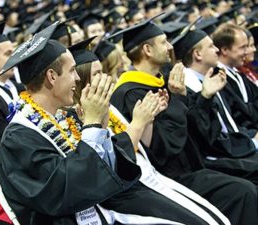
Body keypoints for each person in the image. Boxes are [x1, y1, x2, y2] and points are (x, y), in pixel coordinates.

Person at [0, 22, 198, 225]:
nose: (77, 78)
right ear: (51, 76)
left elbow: (102, 170)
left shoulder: (60, 116)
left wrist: (100, 123)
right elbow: (67, 189)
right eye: (72, 71)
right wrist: (92, 124)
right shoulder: (20, 138)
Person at [110, 16, 258, 224]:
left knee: (249, 178)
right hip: (171, 178)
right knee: (244, 193)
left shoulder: (164, 81)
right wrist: (178, 99)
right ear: (147, 50)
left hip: (195, 165)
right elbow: (163, 149)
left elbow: (198, 132)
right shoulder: (130, 93)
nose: (170, 46)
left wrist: (204, 97)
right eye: (163, 42)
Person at [70, 38, 231, 225]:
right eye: (98, 73)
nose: (106, 77)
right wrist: (140, 122)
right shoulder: (88, 113)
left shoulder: (110, 107)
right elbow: (129, 154)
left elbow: (145, 146)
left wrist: (150, 116)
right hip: (132, 188)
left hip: (153, 175)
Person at [172, 26, 258, 185]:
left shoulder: (210, 79)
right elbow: (207, 136)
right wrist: (205, 97)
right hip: (216, 156)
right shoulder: (189, 88)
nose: (216, 49)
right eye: (211, 46)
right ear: (197, 54)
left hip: (232, 144)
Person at [212, 23, 258, 138]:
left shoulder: (237, 75)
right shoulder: (218, 79)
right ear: (225, 50)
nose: (246, 52)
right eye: (243, 47)